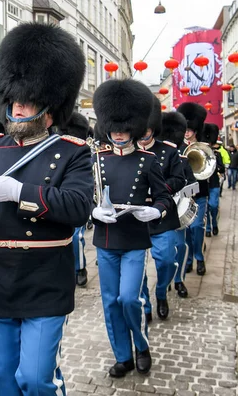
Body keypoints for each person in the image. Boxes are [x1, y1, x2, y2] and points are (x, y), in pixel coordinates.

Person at [0, 23, 92, 395]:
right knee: (3, 379)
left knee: (36, 378)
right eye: (14, 100)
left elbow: (78, 207)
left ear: (49, 107)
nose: (17, 107)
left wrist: (18, 192)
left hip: (44, 279)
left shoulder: (73, 151)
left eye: (27, 101)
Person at [92, 79, 171, 378]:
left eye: (125, 128)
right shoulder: (97, 160)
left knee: (129, 298)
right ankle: (122, 356)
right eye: (114, 128)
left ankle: (142, 345)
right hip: (106, 240)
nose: (119, 133)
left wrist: (155, 210)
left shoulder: (148, 161)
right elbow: (87, 198)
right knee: (111, 303)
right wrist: (93, 211)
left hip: (135, 240)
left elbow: (164, 197)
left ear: (134, 128)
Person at [137, 96, 185, 322]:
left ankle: (161, 291)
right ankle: (145, 302)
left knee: (166, 260)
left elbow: (179, 178)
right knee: (138, 268)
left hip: (162, 214)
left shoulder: (169, 151)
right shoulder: (128, 151)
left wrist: (160, 188)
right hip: (136, 217)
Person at [157, 112, 193, 298]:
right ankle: (162, 288)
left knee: (180, 244)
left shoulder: (183, 159)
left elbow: (193, 186)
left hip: (177, 208)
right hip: (157, 208)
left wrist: (179, 193)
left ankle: (178, 280)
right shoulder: (152, 156)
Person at [59, 112, 91, 287]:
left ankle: (80, 268)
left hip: (80, 196)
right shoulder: (57, 149)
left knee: (77, 236)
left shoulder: (84, 151)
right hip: (59, 198)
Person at [176, 103, 208, 276]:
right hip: (184, 195)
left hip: (200, 193)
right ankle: (188, 259)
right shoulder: (178, 148)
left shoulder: (203, 147)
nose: (187, 132)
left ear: (196, 130)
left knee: (196, 227)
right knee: (186, 228)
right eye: (185, 129)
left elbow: (208, 167)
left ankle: (199, 256)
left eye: (190, 129)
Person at [206, 127, 224, 237]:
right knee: (206, 208)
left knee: (213, 205)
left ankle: (214, 223)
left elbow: (221, 168)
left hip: (214, 183)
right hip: (204, 184)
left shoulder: (216, 154)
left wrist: (214, 165)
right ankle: (207, 228)